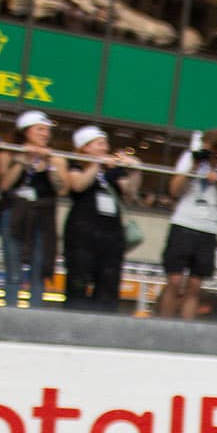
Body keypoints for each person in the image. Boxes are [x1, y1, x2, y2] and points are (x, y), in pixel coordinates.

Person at [157, 129, 217, 320]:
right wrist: (193, 168)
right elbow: (174, 190)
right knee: (174, 279)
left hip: (209, 228)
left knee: (195, 285)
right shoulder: (191, 159)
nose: (209, 155)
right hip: (183, 223)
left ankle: (186, 327)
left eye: (212, 152)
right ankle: (163, 324)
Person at [0, 110, 66, 307]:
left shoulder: (55, 159)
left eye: (47, 130)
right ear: (26, 131)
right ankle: (9, 310)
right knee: (13, 268)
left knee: (38, 269)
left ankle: (35, 312)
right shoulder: (9, 152)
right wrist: (23, 159)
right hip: (14, 213)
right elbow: (5, 185)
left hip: (42, 216)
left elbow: (62, 189)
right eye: (39, 129)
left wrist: (49, 164)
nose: (45, 134)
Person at [61, 125, 137, 311]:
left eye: (105, 144)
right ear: (85, 147)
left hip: (111, 234)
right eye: (99, 143)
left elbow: (130, 192)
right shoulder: (77, 164)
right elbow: (77, 185)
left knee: (108, 284)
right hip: (82, 233)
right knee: (79, 281)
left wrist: (134, 170)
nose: (104, 147)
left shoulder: (112, 171)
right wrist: (96, 164)